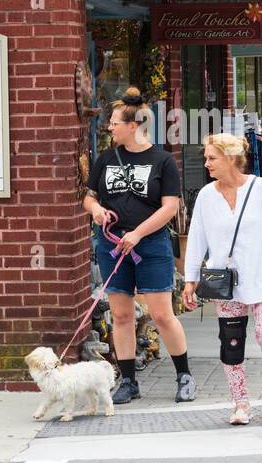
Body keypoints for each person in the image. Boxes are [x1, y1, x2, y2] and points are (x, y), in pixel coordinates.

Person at [84, 87, 196, 405]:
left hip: (151, 245)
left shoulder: (162, 161)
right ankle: (129, 381)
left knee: (161, 314)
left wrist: (137, 233)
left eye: (115, 122)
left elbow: (169, 208)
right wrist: (95, 210)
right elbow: (90, 196)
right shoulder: (106, 158)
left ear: (132, 125)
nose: (109, 127)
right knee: (121, 315)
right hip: (111, 245)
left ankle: (184, 375)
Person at [183, 133, 262, 425]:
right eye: (206, 157)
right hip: (226, 283)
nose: (206, 163)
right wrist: (190, 278)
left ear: (231, 158)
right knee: (231, 343)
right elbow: (196, 237)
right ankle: (241, 403)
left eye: (212, 158)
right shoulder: (207, 196)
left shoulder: (261, 189)